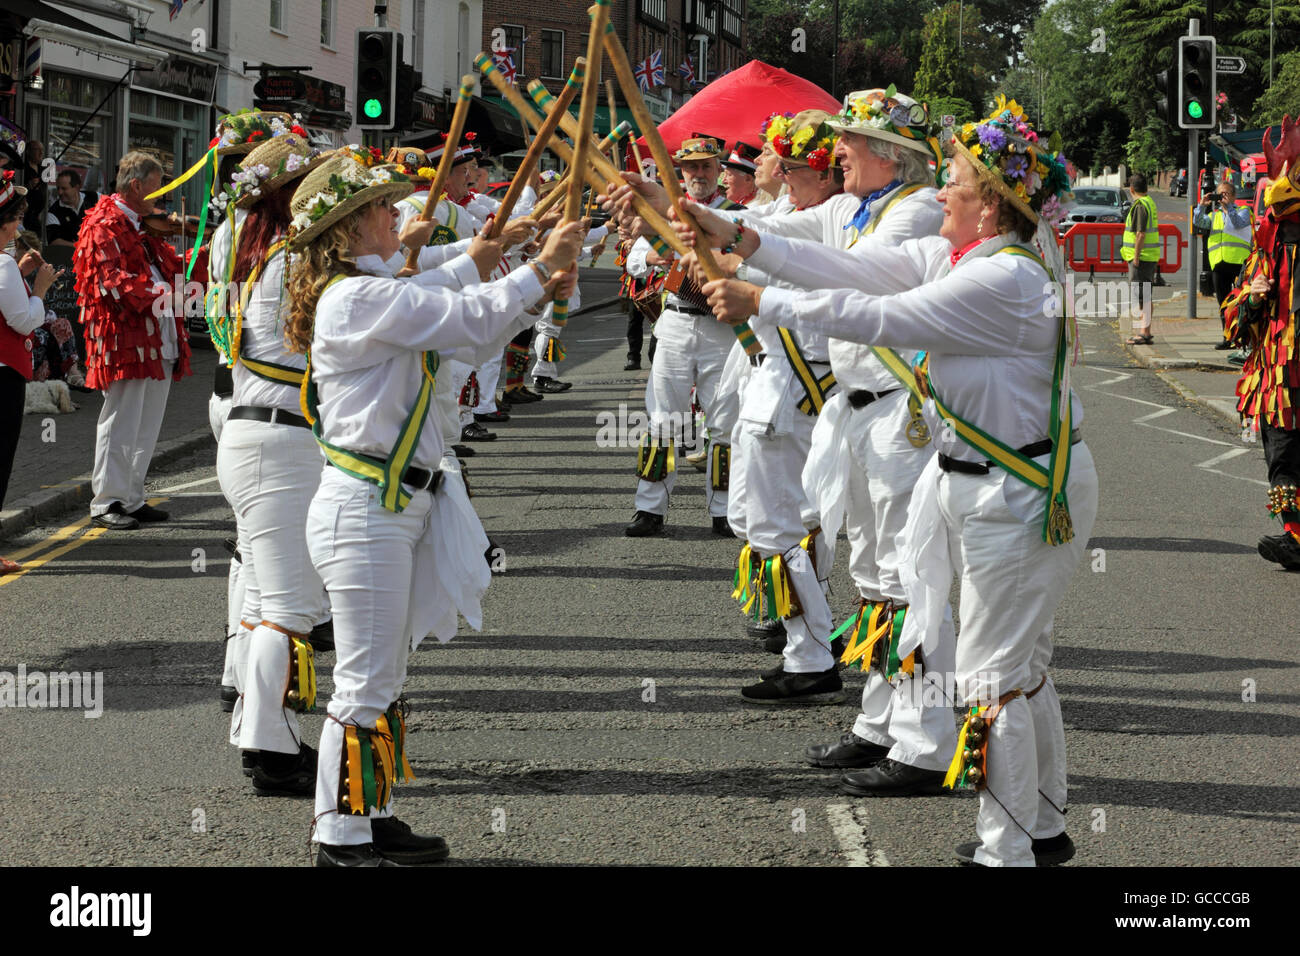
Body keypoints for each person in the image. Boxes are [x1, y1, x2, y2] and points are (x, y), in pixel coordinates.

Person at [703, 95, 1097, 866]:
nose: (939, 191)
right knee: (1020, 666)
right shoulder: (969, 257)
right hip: (986, 479)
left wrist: (758, 298)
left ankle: (1008, 850)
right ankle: (1040, 831)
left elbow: (883, 317)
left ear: (989, 207)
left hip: (1015, 490)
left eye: (952, 181)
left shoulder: (1001, 283)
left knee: (995, 676)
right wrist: (734, 232)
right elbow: (846, 268)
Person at [284, 153, 583, 865]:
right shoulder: (352, 299)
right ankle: (339, 832)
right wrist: (536, 268)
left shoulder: (375, 290)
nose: (399, 214)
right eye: (384, 207)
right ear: (353, 225)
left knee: (385, 672)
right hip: (365, 510)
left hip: (397, 505)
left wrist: (527, 281)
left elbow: (469, 328)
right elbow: (463, 308)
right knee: (363, 676)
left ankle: (372, 807)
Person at [668, 89, 957, 790]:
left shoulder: (913, 213)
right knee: (869, 575)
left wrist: (751, 273)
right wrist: (696, 217)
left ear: (893, 154)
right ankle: (880, 723)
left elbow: (845, 277)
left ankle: (925, 744)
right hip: (853, 411)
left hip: (899, 412)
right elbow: (785, 237)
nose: (840, 152)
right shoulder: (849, 209)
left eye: (851, 141)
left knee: (906, 577)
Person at [212, 133, 332, 796]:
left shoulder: (262, 250)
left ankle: (261, 735)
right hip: (279, 444)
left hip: (256, 437)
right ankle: (272, 750)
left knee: (265, 603)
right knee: (286, 608)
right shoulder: (294, 261)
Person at [623, 136, 745, 538]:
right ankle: (649, 507)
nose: (699, 175)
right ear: (681, 171)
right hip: (675, 318)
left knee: (725, 420)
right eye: (691, 168)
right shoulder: (668, 212)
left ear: (718, 171)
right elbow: (633, 259)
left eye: (706, 167)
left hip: (722, 326)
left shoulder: (735, 215)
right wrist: (655, 255)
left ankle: (724, 510)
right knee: (662, 418)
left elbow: (754, 260)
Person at [73, 151, 191, 530]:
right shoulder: (103, 223)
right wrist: (165, 295)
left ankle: (132, 497)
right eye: (160, 187)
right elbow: (111, 282)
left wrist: (202, 254)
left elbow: (171, 266)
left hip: (158, 339)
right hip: (126, 340)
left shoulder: (143, 226)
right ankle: (105, 501)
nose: (164, 197)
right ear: (137, 186)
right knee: (120, 421)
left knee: (146, 425)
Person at [1223, 114, 1300, 571]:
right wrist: (1252, 300)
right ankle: (1294, 536)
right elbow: (1234, 326)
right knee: (1284, 463)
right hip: (1278, 380)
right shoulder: (1262, 258)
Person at [1, 171, 61, 573]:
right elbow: (23, 321)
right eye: (17, 219)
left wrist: (20, 276)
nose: (20, 227)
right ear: (4, 223)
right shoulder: (2, 265)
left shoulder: (6, 267)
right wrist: (38, 289)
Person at [1195, 181, 1253, 349]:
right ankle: (1228, 338)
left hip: (1239, 264)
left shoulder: (1244, 211)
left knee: (1242, 301)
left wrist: (1229, 208)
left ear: (1234, 196)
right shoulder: (1214, 215)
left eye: (1226, 194)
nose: (1223, 197)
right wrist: (1201, 206)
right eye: (1220, 194)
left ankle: (1244, 337)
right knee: (1223, 304)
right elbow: (1199, 223)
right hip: (1219, 265)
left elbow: (1238, 224)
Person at [1122, 172, 1159, 345]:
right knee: (1145, 295)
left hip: (1141, 258)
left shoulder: (1139, 206)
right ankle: (1145, 331)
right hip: (1148, 257)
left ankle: (1144, 332)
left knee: (1141, 296)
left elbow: (1140, 234)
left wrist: (1135, 257)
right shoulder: (1149, 202)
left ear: (1131, 189)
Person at [44, 169, 99, 247]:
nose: (60, 192)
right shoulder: (53, 213)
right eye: (58, 188)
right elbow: (54, 241)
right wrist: (80, 246)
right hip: (70, 256)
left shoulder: (95, 197)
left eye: (64, 188)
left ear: (77, 187)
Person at [721, 142, 768, 206]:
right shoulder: (744, 204)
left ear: (748, 179)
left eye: (729, 175)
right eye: (724, 175)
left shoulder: (756, 208)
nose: (723, 181)